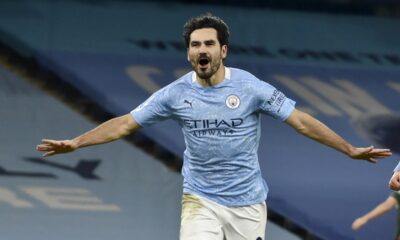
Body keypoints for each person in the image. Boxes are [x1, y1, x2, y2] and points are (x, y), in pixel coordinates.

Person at [36, 13, 392, 240]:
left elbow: (300, 121)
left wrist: (349, 149)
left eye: (208, 43)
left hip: (248, 203)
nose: (201, 49)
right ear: (189, 53)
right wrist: (77, 143)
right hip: (200, 199)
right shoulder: (175, 94)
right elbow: (126, 124)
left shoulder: (251, 88)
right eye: (194, 45)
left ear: (223, 50)